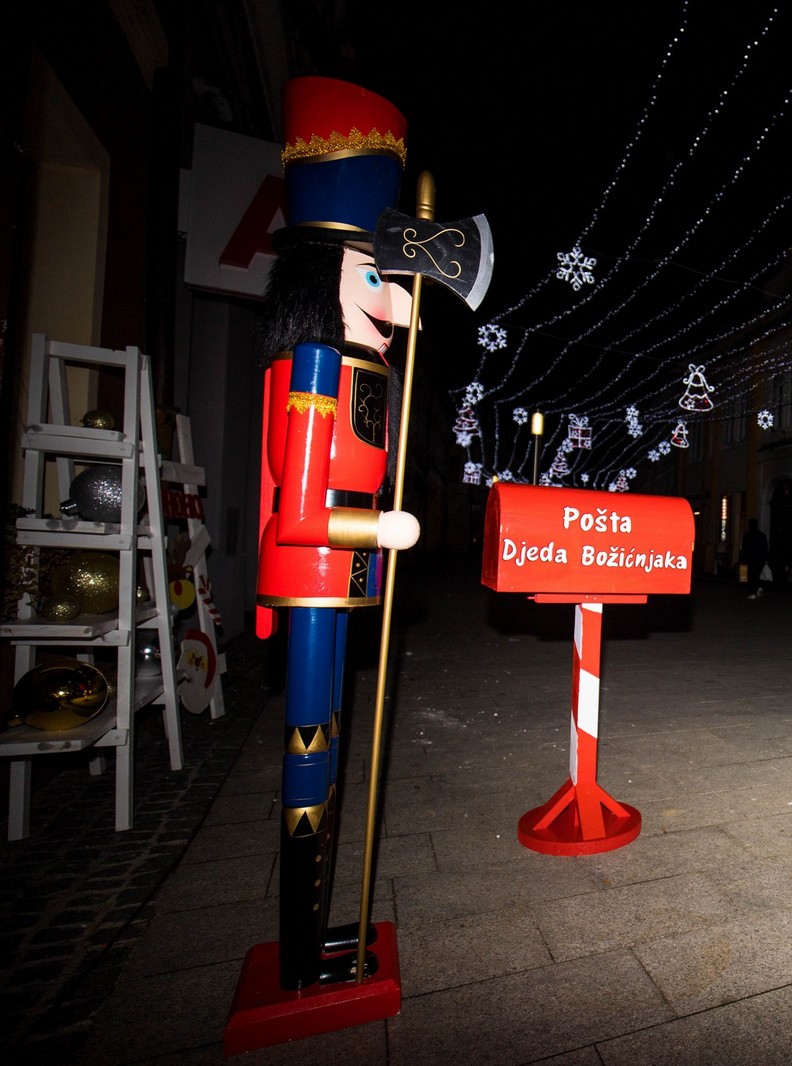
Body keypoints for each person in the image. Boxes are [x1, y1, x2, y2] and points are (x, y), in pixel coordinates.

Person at [254, 77, 419, 991]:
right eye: (376, 278)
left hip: (343, 574)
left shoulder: (359, 372)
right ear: (325, 280)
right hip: (316, 570)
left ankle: (314, 934)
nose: (397, 306)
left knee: (329, 733)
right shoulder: (316, 371)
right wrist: (378, 524)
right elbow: (299, 510)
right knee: (312, 744)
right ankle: (298, 949)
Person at [739, 518, 769, 599]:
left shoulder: (747, 535)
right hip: (760, 560)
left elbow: (744, 549)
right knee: (757, 575)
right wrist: (766, 559)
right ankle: (758, 587)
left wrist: (742, 560)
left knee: (750, 576)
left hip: (750, 559)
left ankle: (752, 592)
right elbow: (765, 548)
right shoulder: (762, 535)